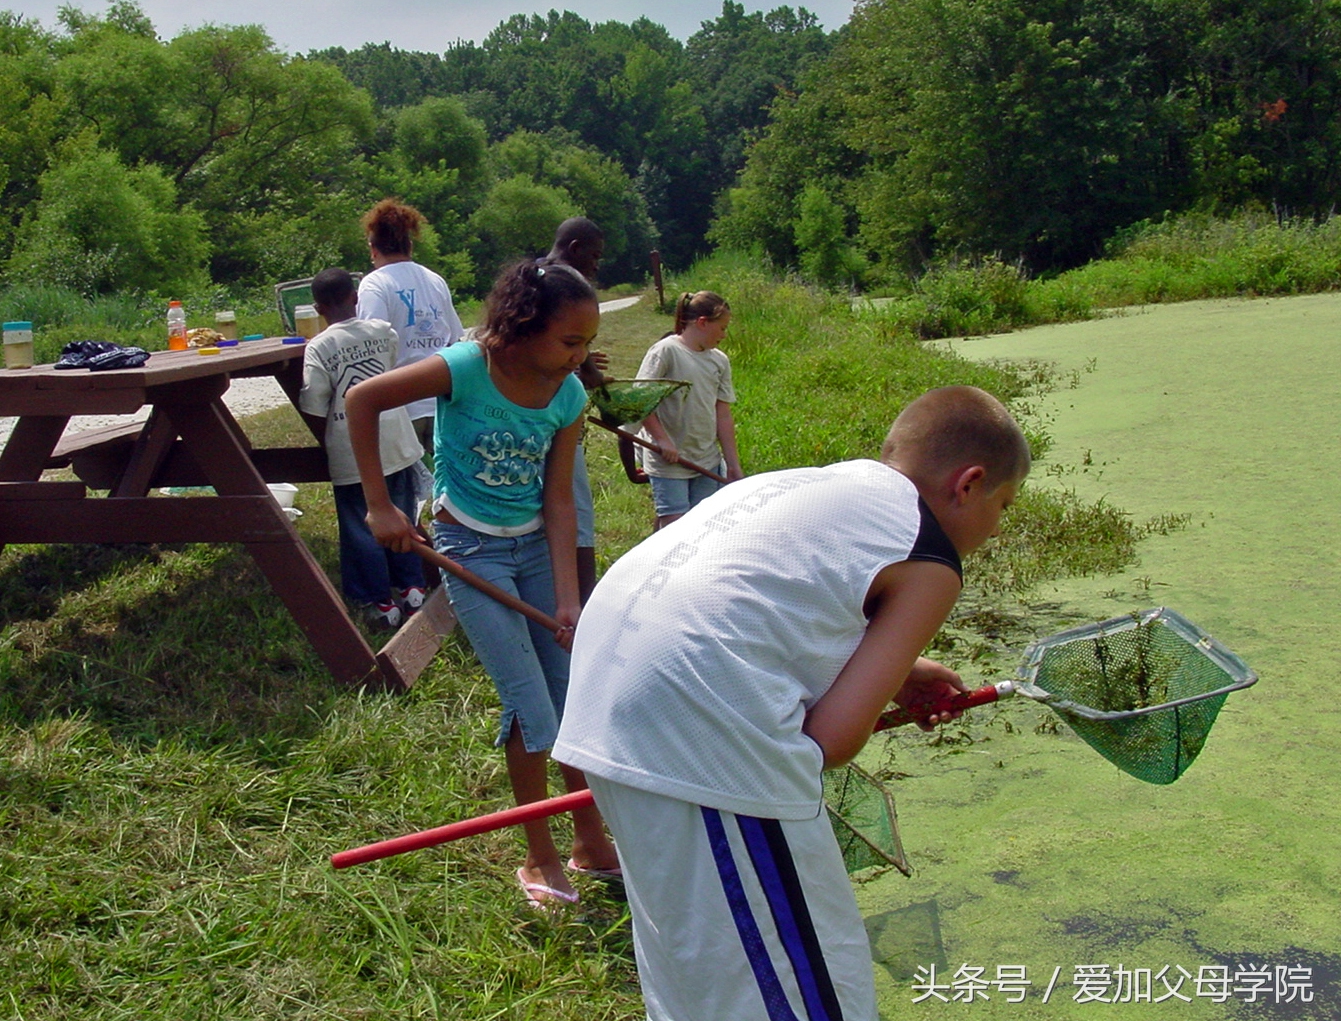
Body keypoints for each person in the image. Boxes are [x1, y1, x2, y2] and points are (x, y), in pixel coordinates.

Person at [553, 385, 1031, 1020]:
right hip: (703, 734)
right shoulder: (932, 560)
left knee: (696, 964)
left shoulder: (811, 484)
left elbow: (764, 600)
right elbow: (832, 738)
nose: (998, 528)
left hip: (605, 704)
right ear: (968, 484)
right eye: (1004, 504)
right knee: (803, 989)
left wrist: (901, 671)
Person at [345, 258, 621, 909]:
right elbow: (363, 399)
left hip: (532, 550)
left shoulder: (569, 397)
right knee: (531, 709)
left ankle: (589, 840)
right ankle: (538, 855)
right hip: (470, 551)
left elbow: (558, 503)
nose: (579, 356)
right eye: (569, 341)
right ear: (522, 326)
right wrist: (380, 505)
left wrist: (565, 599)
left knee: (570, 700)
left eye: (585, 342)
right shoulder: (466, 367)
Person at [298, 268, 426, 628]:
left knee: (361, 528)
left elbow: (314, 404)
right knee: (404, 515)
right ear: (355, 297)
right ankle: (412, 587)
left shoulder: (320, 347)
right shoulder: (383, 332)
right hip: (396, 439)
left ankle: (379, 602)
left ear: (317, 308)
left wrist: (328, 440)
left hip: (352, 449)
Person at [356, 198, 466, 452]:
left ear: (373, 249)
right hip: (441, 402)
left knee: (409, 490)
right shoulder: (435, 280)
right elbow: (455, 339)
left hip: (402, 406)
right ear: (410, 245)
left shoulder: (374, 284)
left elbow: (372, 348)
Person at [632, 290, 744, 529]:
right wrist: (662, 440)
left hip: (706, 459)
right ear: (702, 323)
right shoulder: (666, 351)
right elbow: (640, 401)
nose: (724, 335)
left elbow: (722, 414)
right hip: (669, 462)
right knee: (674, 529)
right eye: (722, 328)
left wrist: (732, 464)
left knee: (702, 529)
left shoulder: (719, 361)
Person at [544, 216, 607, 601]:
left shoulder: (532, 275)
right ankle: (584, 597)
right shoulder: (564, 285)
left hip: (530, 410)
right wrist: (592, 377)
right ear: (574, 248)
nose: (596, 265)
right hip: (552, 414)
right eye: (594, 255)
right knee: (574, 507)